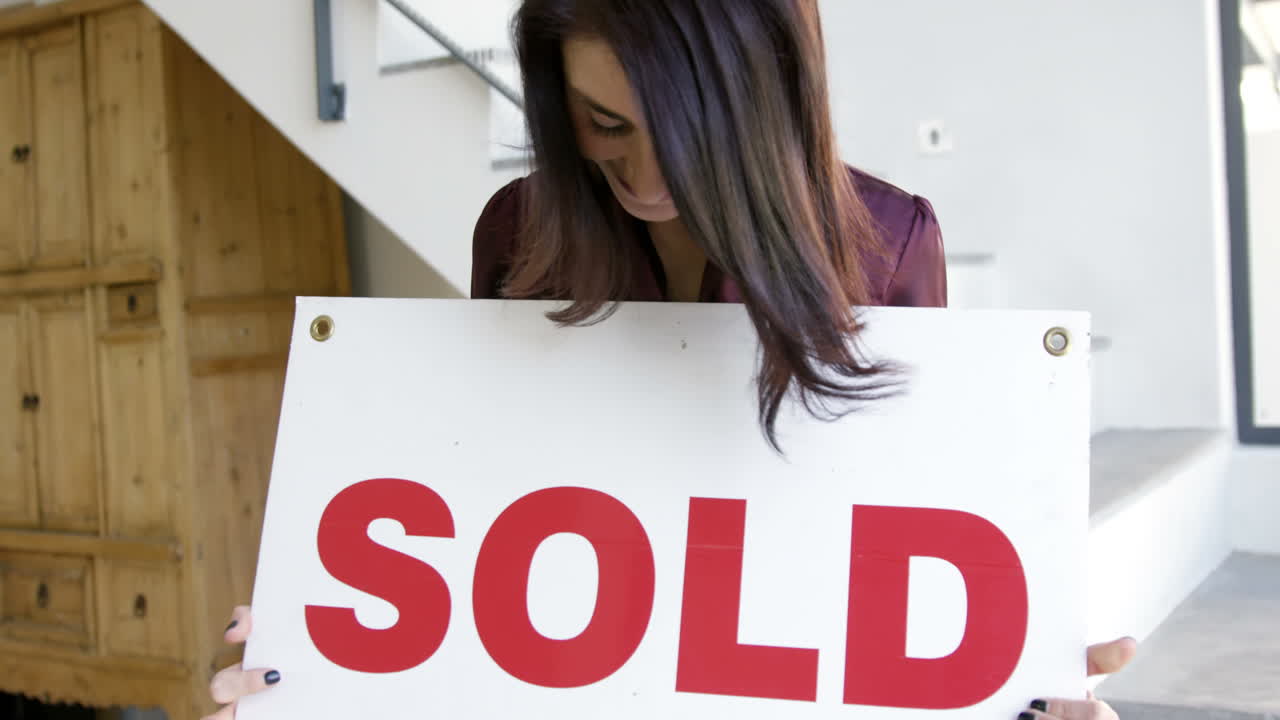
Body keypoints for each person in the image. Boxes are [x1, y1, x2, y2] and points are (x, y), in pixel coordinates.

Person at [203, 0, 1137, 718]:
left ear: (771, 98)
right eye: (605, 124)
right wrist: (318, 643)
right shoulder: (517, 234)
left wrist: (1017, 679)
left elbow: (909, 530)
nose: (647, 180)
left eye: (690, 138)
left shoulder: (887, 245)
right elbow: (479, 486)